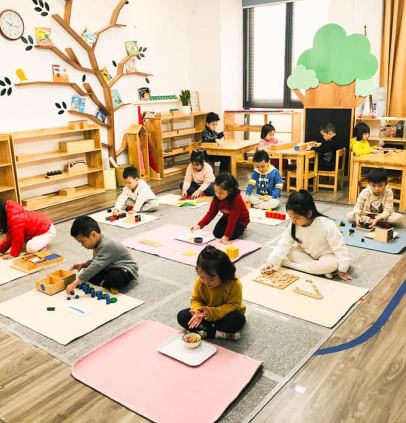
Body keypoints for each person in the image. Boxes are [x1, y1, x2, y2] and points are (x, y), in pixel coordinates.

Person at [260, 190, 351, 280]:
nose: (293, 221)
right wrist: (271, 262)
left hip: (326, 254)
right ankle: (319, 270)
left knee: (331, 265)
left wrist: (342, 269)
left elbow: (339, 247)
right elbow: (284, 243)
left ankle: (289, 265)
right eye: (290, 216)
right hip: (306, 253)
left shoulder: (326, 224)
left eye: (297, 218)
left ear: (309, 213)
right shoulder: (293, 225)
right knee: (289, 251)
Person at [177, 245, 246, 340]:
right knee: (182, 316)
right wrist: (197, 311)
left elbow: (233, 305)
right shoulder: (199, 282)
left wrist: (212, 313)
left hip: (224, 314)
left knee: (238, 319)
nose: (206, 282)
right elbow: (196, 300)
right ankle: (217, 334)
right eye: (202, 277)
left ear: (223, 274)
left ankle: (205, 330)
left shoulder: (233, 283)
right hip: (205, 315)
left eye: (211, 279)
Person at [66, 216, 138, 294]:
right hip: (110, 266)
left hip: (126, 269)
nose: (82, 245)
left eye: (82, 242)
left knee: (115, 278)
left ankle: (106, 283)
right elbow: (96, 260)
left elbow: (97, 264)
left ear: (93, 235)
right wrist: (84, 264)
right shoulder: (97, 243)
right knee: (88, 272)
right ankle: (105, 283)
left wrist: (75, 283)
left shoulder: (107, 244)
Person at [190, 172, 250, 243]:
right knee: (217, 234)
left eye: (221, 193)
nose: (217, 195)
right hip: (226, 217)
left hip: (240, 220)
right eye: (215, 191)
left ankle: (243, 227)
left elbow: (232, 219)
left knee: (231, 236)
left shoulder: (237, 199)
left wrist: (227, 236)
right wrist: (199, 225)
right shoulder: (217, 198)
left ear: (230, 191)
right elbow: (211, 213)